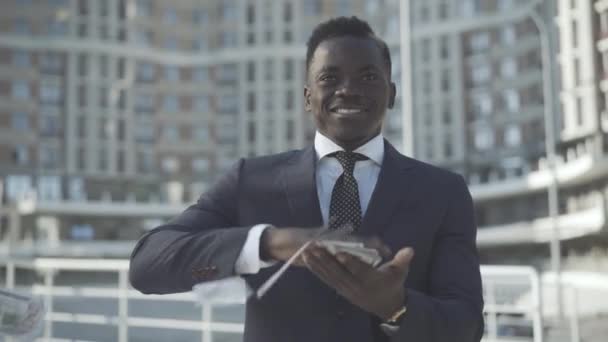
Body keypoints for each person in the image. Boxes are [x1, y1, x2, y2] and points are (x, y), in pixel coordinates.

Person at [129, 16, 484, 342]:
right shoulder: (250, 180)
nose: (348, 89)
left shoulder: (443, 192)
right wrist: (268, 242)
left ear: (391, 94)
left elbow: (467, 326)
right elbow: (147, 264)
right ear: (307, 97)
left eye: (368, 76)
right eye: (330, 78)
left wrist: (397, 307)